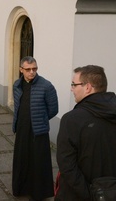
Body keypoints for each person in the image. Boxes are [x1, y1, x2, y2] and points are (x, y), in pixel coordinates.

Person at [55, 65, 116, 200]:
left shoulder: (71, 119)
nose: (71, 88)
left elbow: (67, 165)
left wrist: (90, 195)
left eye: (74, 84)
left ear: (87, 87)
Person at [12, 56, 58, 201]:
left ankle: (39, 193)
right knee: (22, 160)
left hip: (39, 131)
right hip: (21, 129)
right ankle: (21, 188)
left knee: (38, 162)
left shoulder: (46, 86)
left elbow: (53, 109)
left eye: (34, 69)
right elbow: (17, 107)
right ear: (21, 70)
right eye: (28, 69)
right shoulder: (17, 85)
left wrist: (40, 120)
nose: (32, 72)